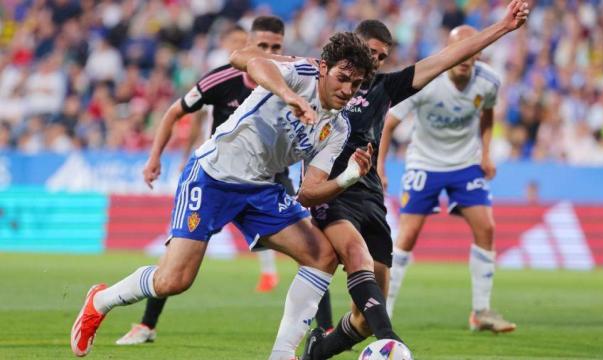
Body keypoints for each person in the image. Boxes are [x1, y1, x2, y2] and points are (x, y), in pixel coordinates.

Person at [70, 31, 375, 360]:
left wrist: (348, 177)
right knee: (173, 280)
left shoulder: (338, 129)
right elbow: (253, 62)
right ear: (325, 68)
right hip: (212, 177)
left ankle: (282, 354)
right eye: (342, 78)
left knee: (322, 256)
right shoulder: (301, 74)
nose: (347, 89)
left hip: (260, 188)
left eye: (355, 84)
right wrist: (289, 96)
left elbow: (308, 193)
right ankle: (100, 301)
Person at [296, 1, 528, 358]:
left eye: (381, 56)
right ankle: (392, 342)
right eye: (370, 52)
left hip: (369, 195)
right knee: (358, 262)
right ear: (353, 48)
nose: (374, 60)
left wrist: (502, 27)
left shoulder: (386, 88)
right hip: (332, 190)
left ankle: (316, 353)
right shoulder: (321, 78)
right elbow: (271, 70)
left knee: (362, 318)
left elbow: (447, 58)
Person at [113, 16, 333, 346]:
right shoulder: (223, 79)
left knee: (316, 250)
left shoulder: (293, 78)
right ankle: (147, 323)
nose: (270, 52)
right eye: (263, 46)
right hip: (218, 175)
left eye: (276, 47)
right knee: (176, 267)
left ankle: (324, 329)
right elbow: (177, 112)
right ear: (249, 46)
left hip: (269, 180)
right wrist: (156, 157)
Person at [379, 25, 516, 333]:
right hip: (424, 164)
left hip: (465, 164)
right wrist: (381, 167)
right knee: (408, 235)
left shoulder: (489, 81)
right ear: (448, 52)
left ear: (479, 52)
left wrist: (485, 154)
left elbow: (488, 114)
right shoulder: (426, 80)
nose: (465, 57)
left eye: (471, 50)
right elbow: (389, 123)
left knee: (486, 228)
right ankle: (384, 310)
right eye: (459, 51)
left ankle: (481, 312)